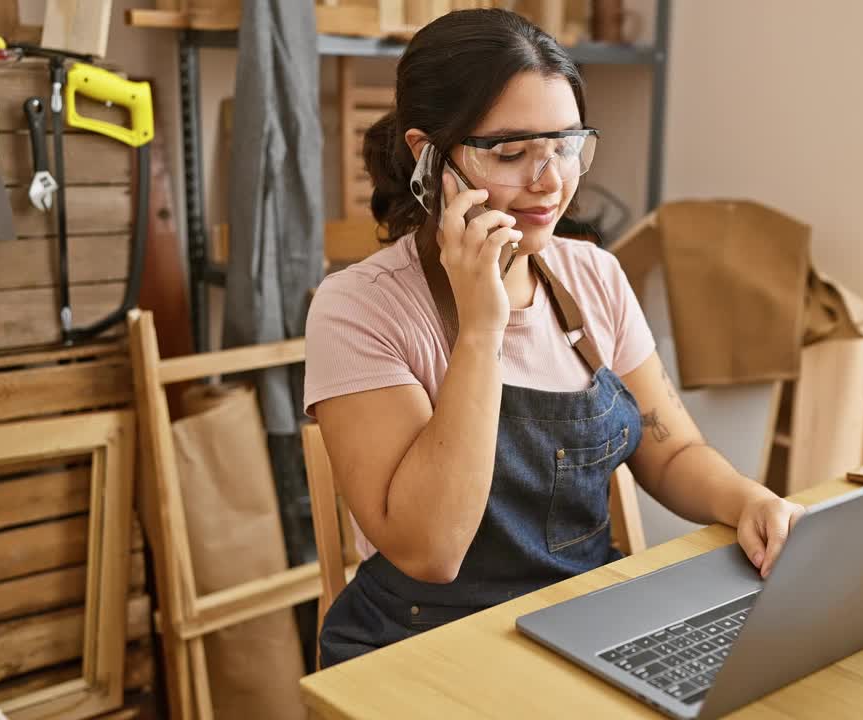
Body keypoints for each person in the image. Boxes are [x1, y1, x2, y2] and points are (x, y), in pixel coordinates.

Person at [304, 8, 804, 667]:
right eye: (511, 153)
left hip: (584, 621)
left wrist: (749, 499)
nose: (550, 182)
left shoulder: (592, 274)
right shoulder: (360, 308)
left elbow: (672, 450)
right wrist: (481, 330)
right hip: (422, 647)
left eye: (567, 146)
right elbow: (430, 551)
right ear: (430, 157)